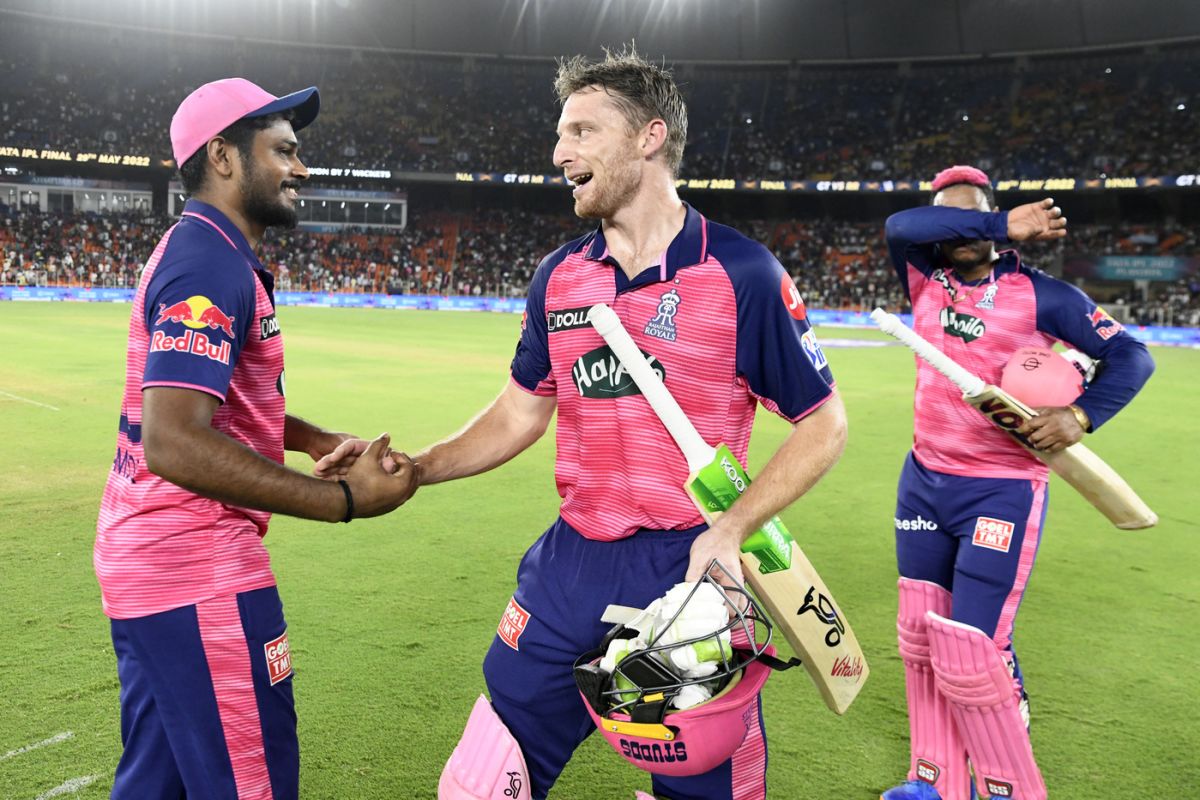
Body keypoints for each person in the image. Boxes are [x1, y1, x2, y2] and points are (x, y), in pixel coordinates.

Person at [321, 48, 847, 800]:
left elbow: (822, 423)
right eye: (560, 134)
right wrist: (421, 466)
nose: (559, 153)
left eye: (581, 131)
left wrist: (732, 530)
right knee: (485, 776)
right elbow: (518, 411)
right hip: (569, 564)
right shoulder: (559, 277)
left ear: (648, 137)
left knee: (706, 785)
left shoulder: (742, 275)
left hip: (688, 568)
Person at [95, 78, 420, 800]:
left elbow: (218, 401)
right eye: (284, 151)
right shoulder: (207, 265)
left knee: (159, 784)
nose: (301, 169)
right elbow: (175, 440)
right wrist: (341, 499)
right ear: (224, 157)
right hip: (195, 569)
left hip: (150, 561)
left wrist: (305, 436)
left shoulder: (210, 253)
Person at [878, 166, 1155, 800]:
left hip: (1001, 488)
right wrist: (999, 222)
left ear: (993, 218)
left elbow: (1133, 355)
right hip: (923, 481)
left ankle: (1000, 779)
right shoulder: (922, 275)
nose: (961, 230)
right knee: (921, 638)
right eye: (952, 219)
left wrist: (1080, 415)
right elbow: (901, 225)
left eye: (975, 214)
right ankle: (934, 779)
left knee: (976, 647)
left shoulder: (1044, 296)